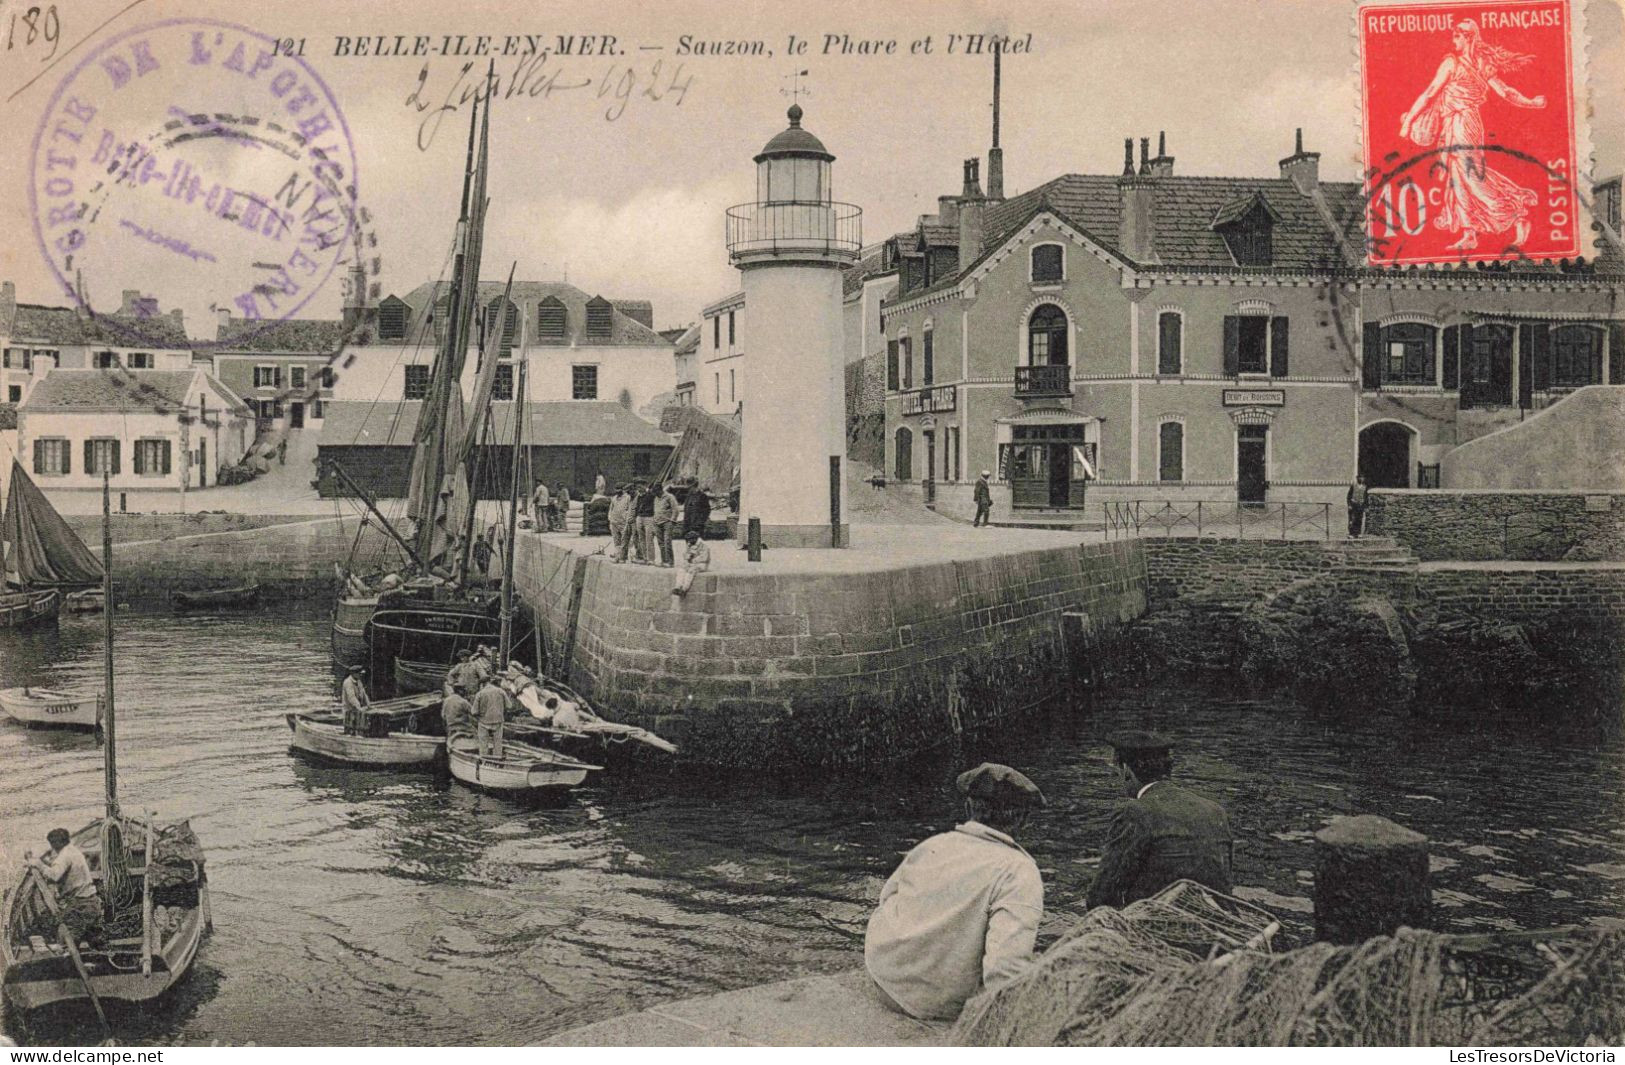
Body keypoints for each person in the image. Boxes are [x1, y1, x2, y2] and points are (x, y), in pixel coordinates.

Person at [865, 763, 1046, 1021]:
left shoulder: (933, 845)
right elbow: (1004, 969)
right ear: (1023, 820)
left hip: (883, 975)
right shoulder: (1019, 870)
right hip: (930, 1004)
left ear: (969, 808)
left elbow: (887, 897)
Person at [1397, 18, 1544, 251]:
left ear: (1469, 38)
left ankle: (1517, 215)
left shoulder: (1464, 64)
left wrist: (1532, 103)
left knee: (1472, 176)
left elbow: (1431, 93)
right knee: (1456, 177)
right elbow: (1431, 93)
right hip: (1452, 123)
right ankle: (1469, 232)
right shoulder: (1459, 62)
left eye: (1457, 36)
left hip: (1465, 122)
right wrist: (1531, 102)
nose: (1453, 40)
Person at [1086, 731, 1234, 911]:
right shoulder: (1215, 810)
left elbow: (1101, 896)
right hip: (1215, 917)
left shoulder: (1135, 812)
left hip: (1160, 921)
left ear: (1126, 771)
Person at [25, 829, 102, 946]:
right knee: (95, 940)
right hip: (91, 901)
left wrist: (39, 864)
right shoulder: (73, 851)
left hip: (82, 905)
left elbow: (54, 875)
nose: (52, 847)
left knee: (66, 940)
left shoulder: (65, 856)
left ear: (57, 843)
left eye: (52, 844)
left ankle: (68, 958)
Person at [473, 674, 508, 757]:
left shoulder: (480, 693)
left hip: (484, 722)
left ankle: (483, 760)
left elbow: (474, 711)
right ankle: (497, 760)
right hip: (498, 721)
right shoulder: (501, 691)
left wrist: (479, 716)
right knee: (498, 743)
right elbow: (509, 706)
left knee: (483, 743)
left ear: (482, 684)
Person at [672, 531, 711, 598]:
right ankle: (678, 586)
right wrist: (688, 557)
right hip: (691, 563)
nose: (688, 541)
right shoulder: (689, 544)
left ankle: (684, 589)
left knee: (691, 571)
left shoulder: (704, 546)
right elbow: (685, 554)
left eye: (690, 539)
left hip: (701, 564)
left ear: (695, 539)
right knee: (682, 569)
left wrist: (693, 560)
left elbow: (705, 558)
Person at [654, 482, 679, 567]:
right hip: (657, 523)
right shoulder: (656, 498)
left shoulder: (669, 497)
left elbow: (675, 509)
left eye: (656, 491)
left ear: (660, 490)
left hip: (667, 522)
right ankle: (664, 561)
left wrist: (672, 521)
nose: (655, 493)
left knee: (667, 541)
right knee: (660, 543)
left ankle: (670, 562)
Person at [341, 664, 370, 735]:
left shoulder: (359, 681)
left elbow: (363, 693)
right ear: (354, 674)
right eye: (360, 674)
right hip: (349, 709)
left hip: (357, 709)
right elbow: (351, 698)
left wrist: (368, 704)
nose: (361, 675)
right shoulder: (348, 682)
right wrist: (359, 708)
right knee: (351, 726)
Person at [633, 481, 658, 563]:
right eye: (637, 488)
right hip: (640, 517)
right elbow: (636, 507)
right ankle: (645, 558)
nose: (639, 489)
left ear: (644, 486)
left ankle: (651, 559)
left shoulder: (651, 495)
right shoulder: (639, 496)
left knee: (649, 538)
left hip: (649, 517)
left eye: (640, 487)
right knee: (641, 538)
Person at [608, 484, 634, 562]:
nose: (617, 491)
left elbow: (630, 509)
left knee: (625, 540)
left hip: (623, 522)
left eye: (619, 489)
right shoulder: (614, 498)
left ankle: (628, 556)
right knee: (616, 540)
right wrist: (610, 519)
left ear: (623, 490)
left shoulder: (627, 498)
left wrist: (627, 519)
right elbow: (611, 509)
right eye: (616, 489)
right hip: (614, 522)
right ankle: (617, 556)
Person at [1346, 474, 1370, 538]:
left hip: (1361, 505)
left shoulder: (1365, 487)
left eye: (1363, 478)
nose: (1361, 479)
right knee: (1352, 519)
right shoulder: (1353, 486)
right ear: (1357, 479)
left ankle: (1358, 533)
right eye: (1360, 478)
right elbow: (1349, 496)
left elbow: (1366, 497)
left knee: (1359, 519)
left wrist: (1366, 506)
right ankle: (1351, 533)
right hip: (1353, 504)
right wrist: (1349, 505)